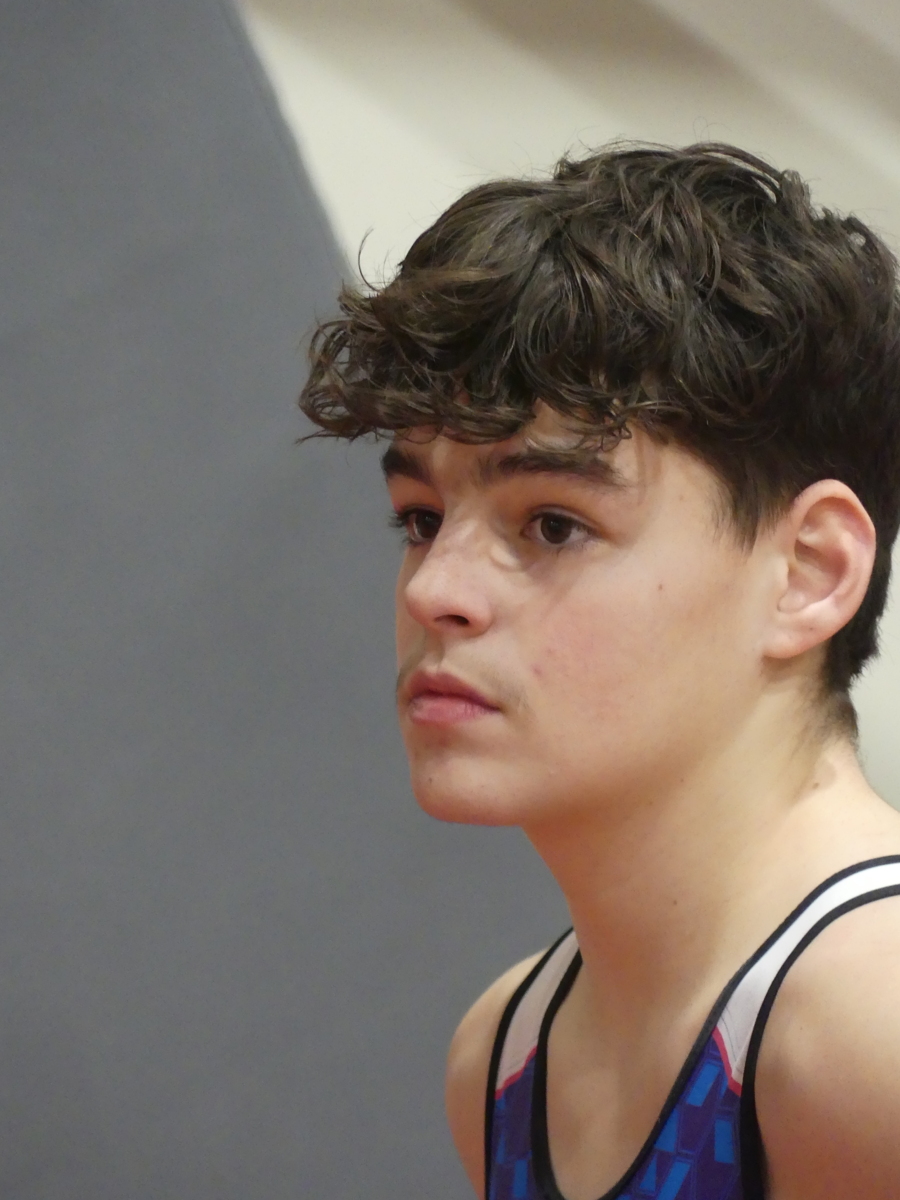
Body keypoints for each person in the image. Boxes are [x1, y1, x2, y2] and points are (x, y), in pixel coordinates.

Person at [299, 143, 900, 1200]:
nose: (436, 589)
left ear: (808, 572)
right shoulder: (503, 1057)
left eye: (553, 524)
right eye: (421, 518)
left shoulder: (873, 1026)